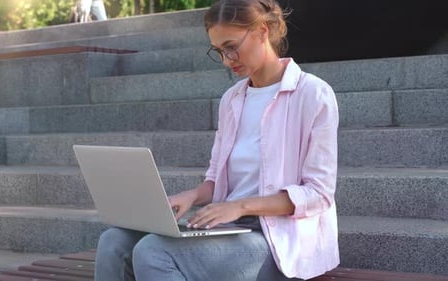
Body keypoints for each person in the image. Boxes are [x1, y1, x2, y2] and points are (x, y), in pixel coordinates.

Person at [94, 0, 339, 280]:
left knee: (154, 252)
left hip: (278, 241)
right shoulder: (232, 99)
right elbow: (216, 179)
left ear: (261, 31)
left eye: (231, 46)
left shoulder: (313, 95)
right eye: (219, 51)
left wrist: (240, 206)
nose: (226, 60)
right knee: (113, 243)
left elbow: (318, 194)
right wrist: (191, 197)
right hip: (229, 227)